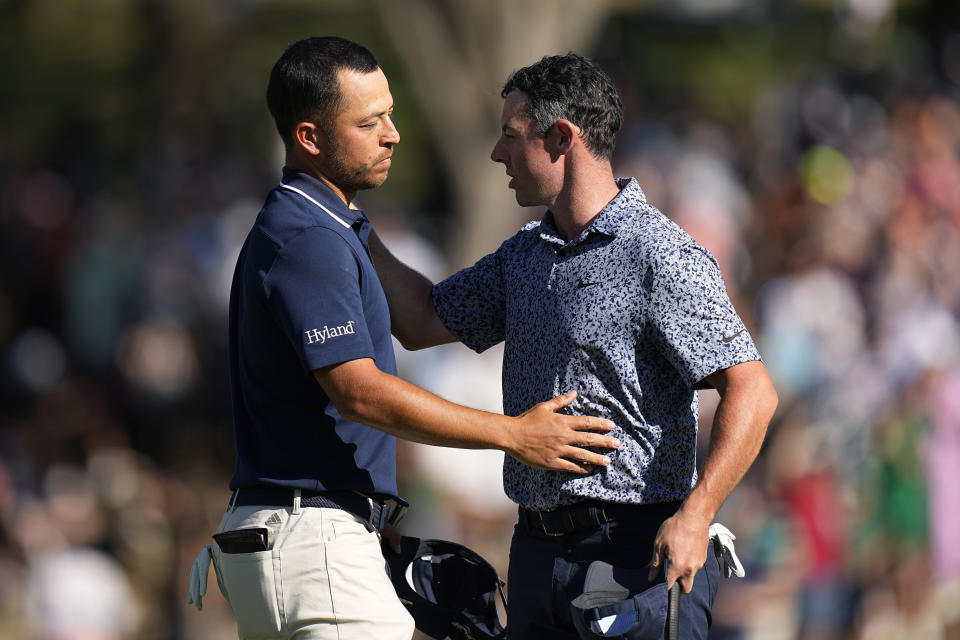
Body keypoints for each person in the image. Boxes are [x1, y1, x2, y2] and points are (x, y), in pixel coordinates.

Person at [190, 37, 621, 640]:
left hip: (301, 536)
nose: (392, 134)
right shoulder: (311, 239)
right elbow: (359, 393)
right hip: (312, 542)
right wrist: (513, 434)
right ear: (310, 138)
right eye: (369, 123)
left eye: (389, 114)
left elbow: (418, 321)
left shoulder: (327, 224)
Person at [370, 52, 779, 639]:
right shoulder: (526, 253)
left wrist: (698, 515)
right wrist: (350, 223)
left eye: (511, 136)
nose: (497, 153)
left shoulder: (658, 252)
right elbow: (419, 319)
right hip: (538, 550)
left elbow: (753, 390)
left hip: (635, 551)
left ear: (562, 137)